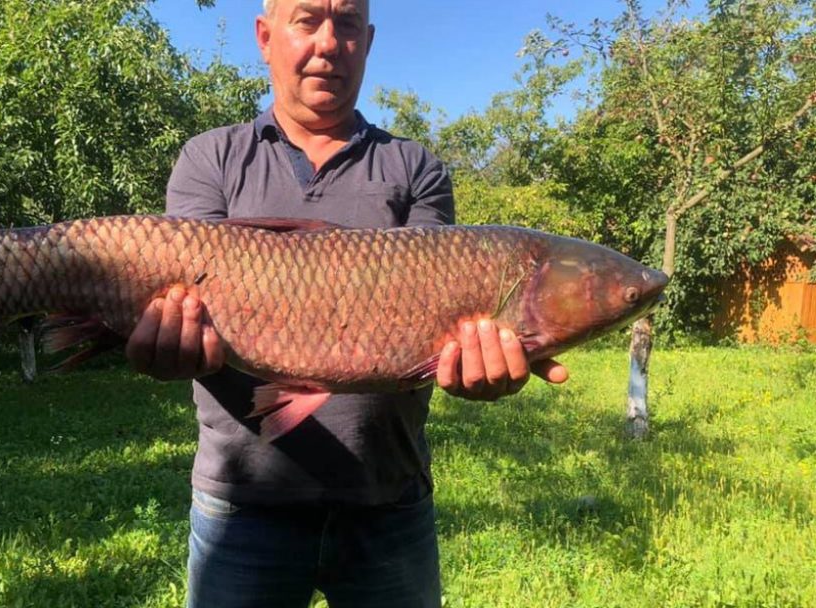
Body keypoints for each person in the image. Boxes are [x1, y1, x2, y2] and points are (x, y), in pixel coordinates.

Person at [125, 1, 568, 606]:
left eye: (349, 24)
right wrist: (166, 345)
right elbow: (177, 299)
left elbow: (449, 324)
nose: (330, 42)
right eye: (308, 20)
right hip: (242, 505)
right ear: (265, 36)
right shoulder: (212, 158)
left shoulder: (416, 168)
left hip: (387, 504)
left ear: (369, 40)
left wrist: (479, 367)